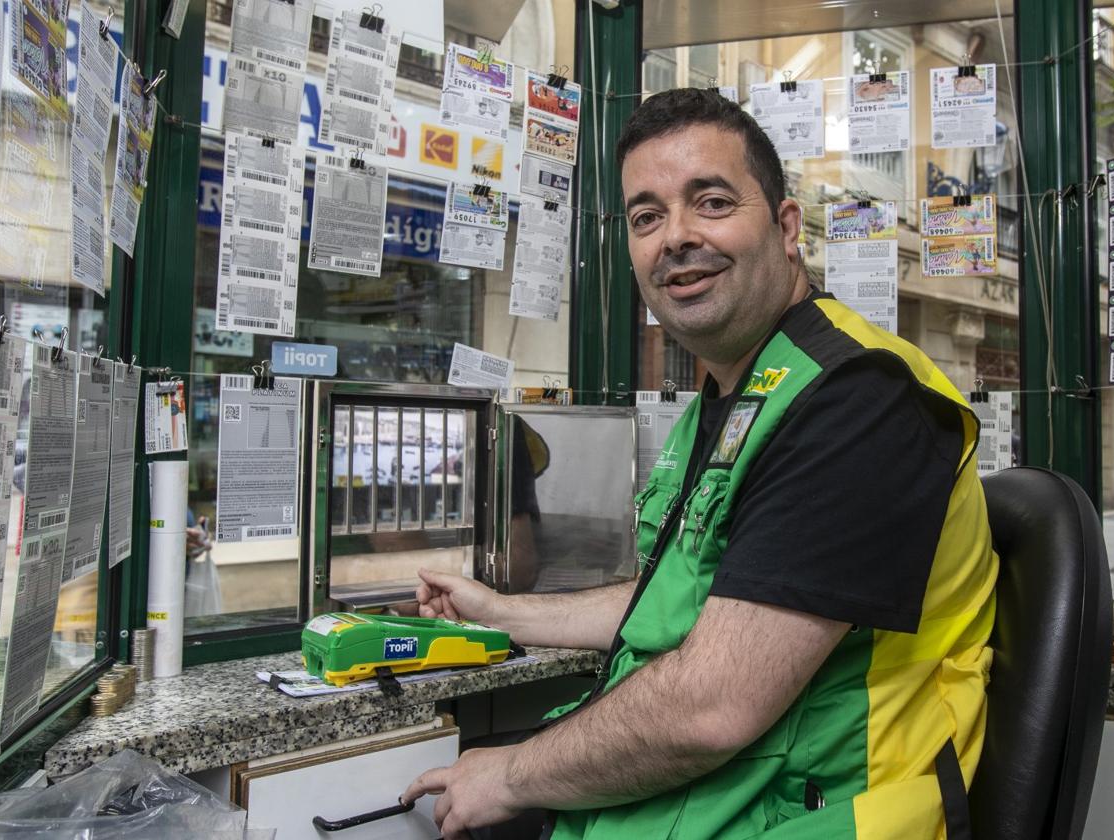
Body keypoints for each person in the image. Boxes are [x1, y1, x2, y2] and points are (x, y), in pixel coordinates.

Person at [402, 87, 997, 840]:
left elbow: (714, 705)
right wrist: (505, 612)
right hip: (720, 803)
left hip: (812, 816)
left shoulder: (858, 400)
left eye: (710, 202)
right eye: (647, 217)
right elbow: (695, 602)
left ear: (786, 229)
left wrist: (514, 774)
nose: (675, 237)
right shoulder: (735, 397)